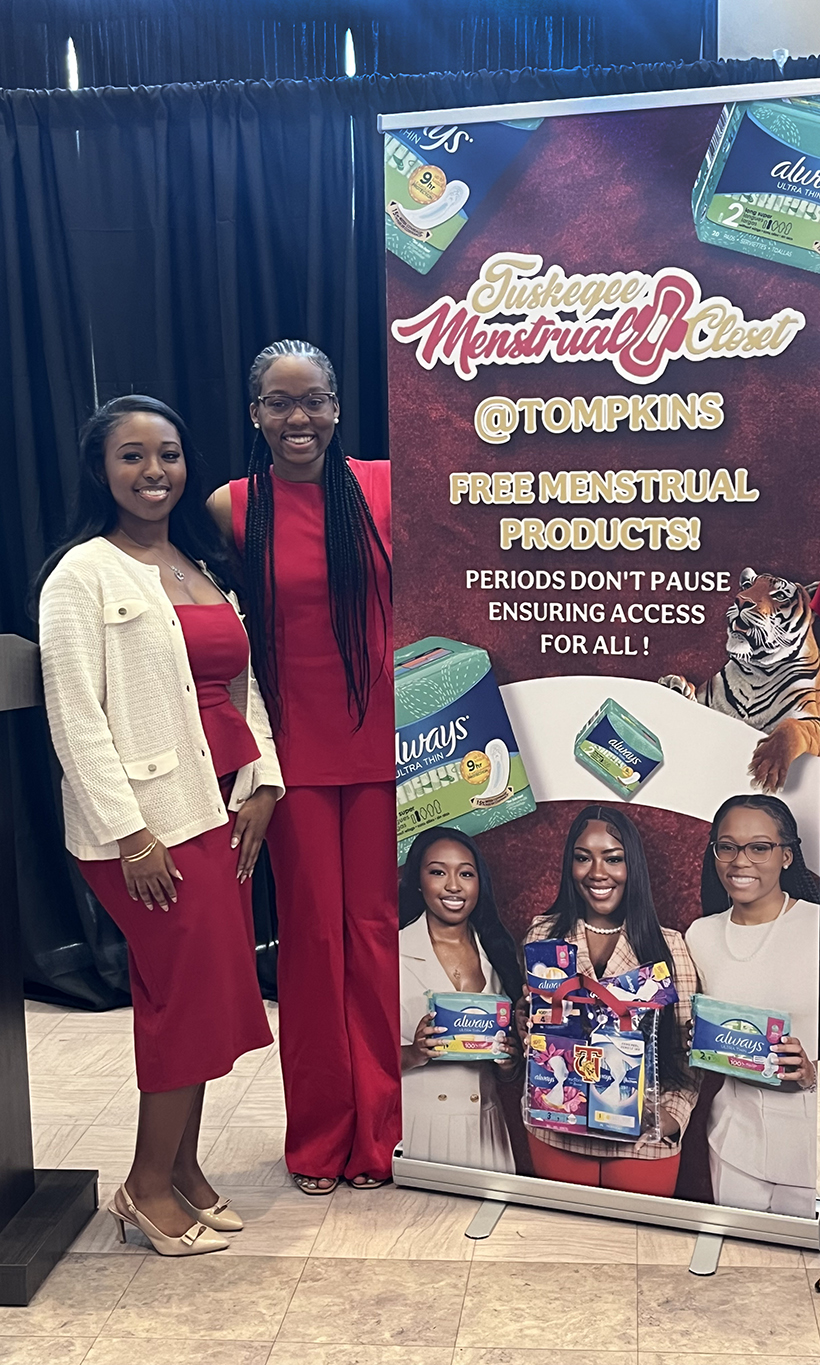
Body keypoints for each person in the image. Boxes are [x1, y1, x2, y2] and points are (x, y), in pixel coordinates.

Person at [37, 395, 283, 1256]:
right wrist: (131, 833)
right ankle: (144, 1186)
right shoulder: (82, 574)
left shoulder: (197, 559)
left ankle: (180, 1167)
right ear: (100, 471)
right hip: (146, 828)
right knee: (186, 1001)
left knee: (206, 998)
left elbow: (238, 686)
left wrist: (264, 782)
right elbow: (75, 716)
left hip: (216, 810)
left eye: (168, 455)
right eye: (132, 456)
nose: (154, 472)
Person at [208, 339, 399, 1194]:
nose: (299, 419)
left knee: (378, 940)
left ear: (336, 405)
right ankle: (321, 1138)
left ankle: (384, 1136)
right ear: (255, 413)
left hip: (395, 749)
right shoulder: (230, 506)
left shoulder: (389, 486)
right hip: (294, 759)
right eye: (280, 403)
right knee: (315, 947)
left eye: (314, 399)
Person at [522, 805, 699, 1196]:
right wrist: (526, 1031)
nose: (597, 872)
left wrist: (669, 1119)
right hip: (558, 1131)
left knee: (641, 1251)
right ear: (570, 866)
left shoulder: (669, 946)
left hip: (642, 1143)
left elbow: (686, 1051)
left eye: (613, 859)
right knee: (560, 1247)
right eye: (583, 857)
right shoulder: (542, 934)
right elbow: (537, 1037)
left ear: (632, 865)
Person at [685, 794, 819, 1218]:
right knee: (743, 1271)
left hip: (811, 1142)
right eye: (727, 847)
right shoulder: (699, 935)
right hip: (733, 1141)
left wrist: (813, 1070)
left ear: (786, 856)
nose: (740, 861)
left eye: (758, 847)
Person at [399, 826, 522, 1173]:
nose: (454, 885)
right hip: (417, 1127)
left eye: (466, 873)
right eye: (438, 871)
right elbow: (357, 1058)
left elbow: (510, 1069)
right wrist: (412, 1053)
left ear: (479, 883)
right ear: (418, 882)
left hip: (486, 1130)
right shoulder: (391, 953)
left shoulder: (497, 954)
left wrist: (511, 1062)